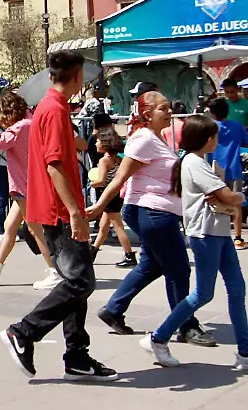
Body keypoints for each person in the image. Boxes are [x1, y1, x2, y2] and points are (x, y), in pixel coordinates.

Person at [1, 51, 117, 382]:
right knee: (81, 282)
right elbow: (53, 164)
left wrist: (79, 142)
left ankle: (77, 356)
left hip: (56, 209)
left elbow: (60, 152)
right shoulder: (53, 110)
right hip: (58, 211)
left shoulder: (54, 109)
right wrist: (73, 213)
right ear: (78, 76)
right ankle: (24, 332)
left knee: (75, 283)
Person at [139, 115, 248, 372]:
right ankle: (158, 338)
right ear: (208, 139)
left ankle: (246, 351)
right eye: (215, 136)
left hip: (218, 232)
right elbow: (226, 195)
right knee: (202, 294)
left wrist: (231, 197)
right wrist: (239, 195)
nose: (218, 140)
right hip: (205, 234)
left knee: (237, 290)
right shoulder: (194, 163)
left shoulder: (199, 162)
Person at [89, 92, 214, 347]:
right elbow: (120, 177)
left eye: (169, 109)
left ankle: (113, 309)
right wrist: (100, 206)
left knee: (151, 265)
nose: (169, 113)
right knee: (178, 269)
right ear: (147, 114)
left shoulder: (156, 138)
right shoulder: (143, 139)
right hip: (152, 212)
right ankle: (186, 325)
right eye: (163, 109)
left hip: (155, 212)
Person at [0, 91, 58, 289]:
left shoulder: (21, 127)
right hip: (25, 184)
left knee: (35, 229)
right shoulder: (29, 120)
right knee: (11, 226)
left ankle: (54, 270)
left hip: (25, 184)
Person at [208, 98, 248, 249]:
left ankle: (217, 236)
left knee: (214, 203)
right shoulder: (237, 126)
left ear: (212, 113)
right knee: (236, 204)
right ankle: (238, 238)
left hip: (214, 170)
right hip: (234, 169)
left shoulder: (211, 127)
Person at [89, 126, 136, 268]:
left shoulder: (104, 161)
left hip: (108, 196)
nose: (96, 144)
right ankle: (93, 252)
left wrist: (92, 183)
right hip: (116, 195)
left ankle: (129, 255)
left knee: (117, 225)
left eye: (98, 141)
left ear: (105, 143)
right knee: (104, 226)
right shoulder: (117, 159)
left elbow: (101, 181)